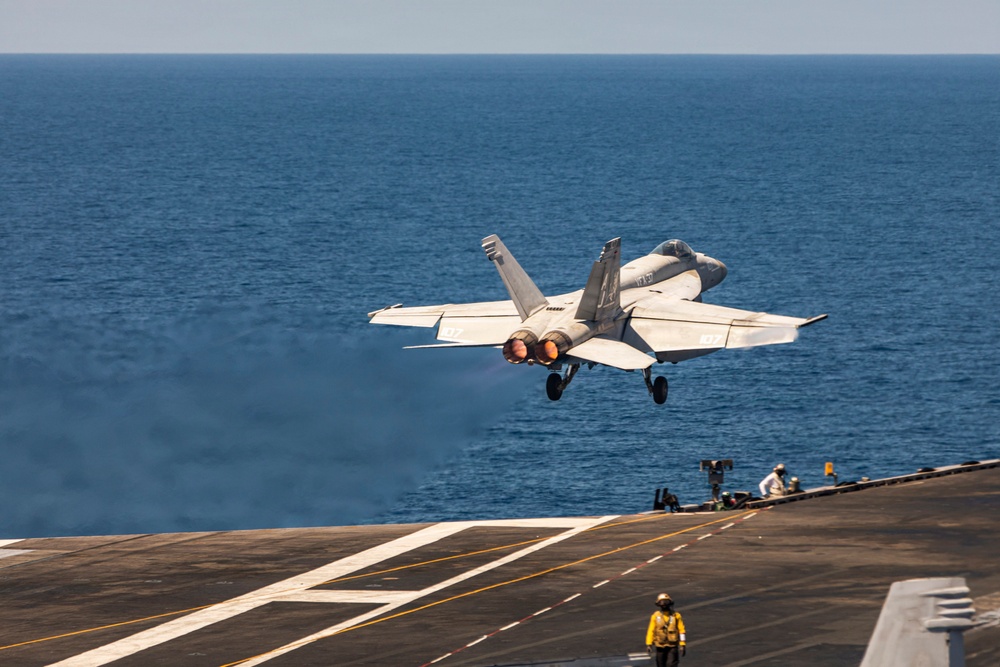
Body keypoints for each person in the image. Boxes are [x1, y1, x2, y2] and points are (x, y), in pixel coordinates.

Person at [645, 592, 687, 666]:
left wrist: (682, 644)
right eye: (662, 602)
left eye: (666, 602)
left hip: (672, 646)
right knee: (660, 664)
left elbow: (681, 630)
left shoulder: (676, 616)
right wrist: (649, 644)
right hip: (660, 645)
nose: (664, 604)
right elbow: (651, 630)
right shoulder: (655, 616)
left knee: (671, 664)